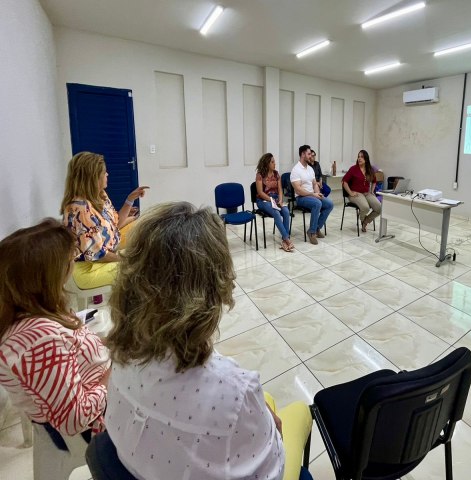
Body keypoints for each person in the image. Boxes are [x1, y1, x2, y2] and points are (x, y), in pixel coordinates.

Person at [104, 202, 312, 480]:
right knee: (300, 411)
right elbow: (274, 471)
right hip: (239, 425)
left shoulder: (120, 357)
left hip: (137, 466)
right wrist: (271, 431)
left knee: (267, 401)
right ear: (212, 287)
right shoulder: (236, 391)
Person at [0, 219, 110, 439]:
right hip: (93, 427)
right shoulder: (40, 341)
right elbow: (74, 420)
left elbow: (70, 354)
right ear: (46, 276)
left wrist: (112, 345)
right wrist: (113, 373)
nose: (72, 265)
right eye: (69, 261)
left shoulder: (33, 311)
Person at [61, 151, 149, 289]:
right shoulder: (80, 209)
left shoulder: (100, 194)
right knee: (141, 268)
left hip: (108, 250)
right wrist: (128, 259)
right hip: (90, 267)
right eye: (104, 172)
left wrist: (130, 199)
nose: (107, 175)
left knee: (145, 229)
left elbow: (116, 223)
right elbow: (100, 255)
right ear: (92, 178)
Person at [290, 145, 334, 245]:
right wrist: (313, 194)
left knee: (329, 204)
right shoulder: (296, 170)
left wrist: (317, 193)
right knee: (317, 203)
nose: (311, 156)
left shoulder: (310, 169)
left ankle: (317, 228)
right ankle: (311, 232)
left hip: (312, 195)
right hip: (301, 197)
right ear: (302, 154)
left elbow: (314, 183)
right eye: (309, 154)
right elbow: (298, 190)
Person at [256, 153, 294, 252]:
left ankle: (284, 241)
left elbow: (280, 189)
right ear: (267, 163)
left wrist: (280, 200)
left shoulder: (277, 174)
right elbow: (260, 192)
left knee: (286, 211)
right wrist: (272, 200)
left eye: (274, 162)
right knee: (276, 212)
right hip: (263, 200)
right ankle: (287, 239)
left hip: (276, 199)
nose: (274, 164)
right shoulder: (260, 175)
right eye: (272, 162)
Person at [342, 150, 382, 232]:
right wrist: (350, 193)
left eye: (362, 157)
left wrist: (371, 191)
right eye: (358, 156)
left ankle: (365, 221)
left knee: (379, 208)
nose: (359, 158)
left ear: (366, 159)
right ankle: (362, 218)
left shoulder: (370, 170)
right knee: (365, 208)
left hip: (366, 193)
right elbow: (344, 182)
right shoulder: (353, 169)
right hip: (355, 193)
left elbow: (374, 181)